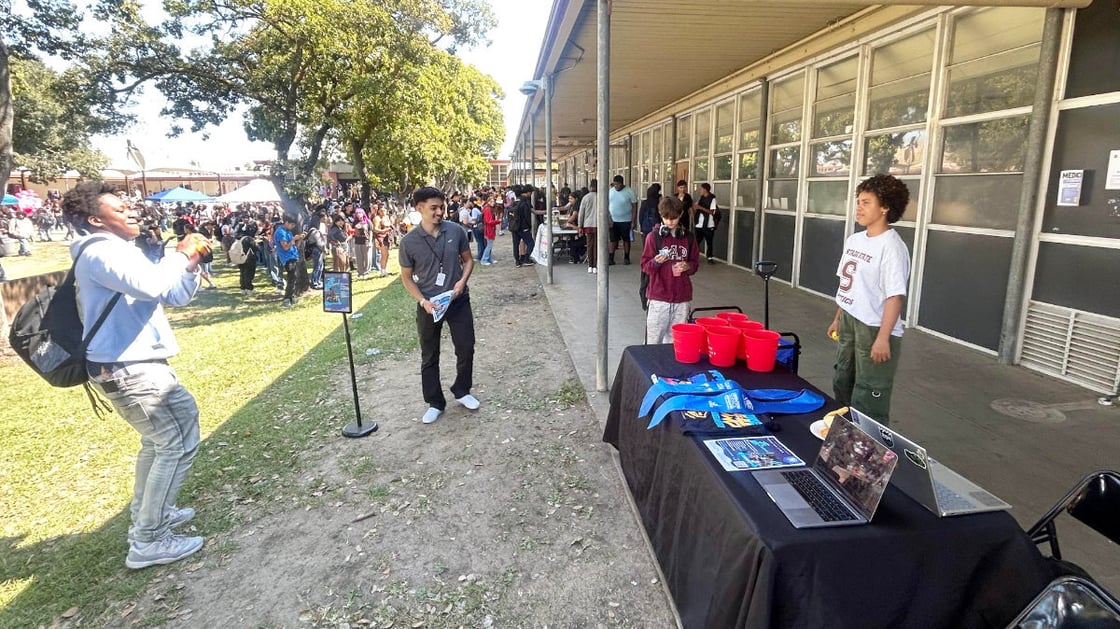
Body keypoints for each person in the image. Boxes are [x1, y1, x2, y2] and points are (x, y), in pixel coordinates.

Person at [63, 182, 210, 569]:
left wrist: (191, 267)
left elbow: (173, 294)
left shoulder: (119, 252)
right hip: (129, 367)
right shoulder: (101, 252)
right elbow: (156, 282)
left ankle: (153, 515)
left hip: (133, 364)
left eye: (130, 206)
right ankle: (149, 539)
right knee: (177, 440)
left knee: (159, 442)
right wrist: (179, 254)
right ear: (96, 219)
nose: (131, 212)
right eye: (119, 208)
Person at [827, 174, 911, 426]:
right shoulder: (855, 240)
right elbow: (847, 287)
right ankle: (842, 440)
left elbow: (895, 296)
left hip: (874, 327)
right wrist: (837, 319)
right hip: (850, 321)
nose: (859, 208)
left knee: (869, 393)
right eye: (858, 202)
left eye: (866, 202)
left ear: (885, 207)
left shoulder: (891, 247)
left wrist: (883, 337)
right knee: (843, 380)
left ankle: (868, 453)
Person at [398, 187, 479, 425]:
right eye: (433, 208)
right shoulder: (409, 242)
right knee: (429, 354)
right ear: (419, 208)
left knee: (466, 347)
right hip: (429, 305)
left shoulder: (455, 230)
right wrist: (423, 301)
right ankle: (435, 402)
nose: (439, 212)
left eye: (441, 207)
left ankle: (462, 390)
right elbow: (406, 277)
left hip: (457, 301)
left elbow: (468, 260)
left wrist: (462, 282)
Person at [641, 197, 699, 344]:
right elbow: (645, 266)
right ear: (661, 215)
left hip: (682, 298)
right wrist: (655, 262)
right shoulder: (653, 237)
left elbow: (695, 264)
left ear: (680, 215)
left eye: (674, 218)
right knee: (653, 343)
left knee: (676, 343)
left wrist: (688, 266)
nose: (670, 222)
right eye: (666, 218)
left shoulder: (689, 238)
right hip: (659, 298)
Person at [607, 175, 638, 265]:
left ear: (621, 183)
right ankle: (611, 258)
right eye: (614, 184)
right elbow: (607, 204)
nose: (615, 186)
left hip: (626, 220)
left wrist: (633, 221)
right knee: (613, 240)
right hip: (613, 220)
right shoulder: (610, 191)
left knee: (626, 240)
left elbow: (634, 207)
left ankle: (626, 257)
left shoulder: (629, 191)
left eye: (617, 184)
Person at [274, 215, 304, 307]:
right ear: (286, 222)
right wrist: (294, 239)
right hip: (287, 258)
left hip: (293, 256)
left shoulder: (288, 231)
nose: (293, 227)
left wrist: (299, 239)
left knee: (294, 278)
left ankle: (292, 296)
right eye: (291, 225)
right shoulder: (280, 232)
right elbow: (286, 247)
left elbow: (294, 246)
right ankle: (287, 299)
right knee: (291, 278)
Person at [694, 183, 719, 264]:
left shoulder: (712, 199)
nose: (700, 190)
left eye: (701, 189)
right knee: (696, 241)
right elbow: (696, 207)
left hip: (709, 224)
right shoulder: (701, 198)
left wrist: (700, 207)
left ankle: (710, 257)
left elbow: (712, 211)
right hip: (699, 223)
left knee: (709, 242)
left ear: (705, 189)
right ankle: (693, 256)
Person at [578, 179, 599, 273]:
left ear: (590, 187)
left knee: (590, 245)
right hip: (599, 225)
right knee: (597, 245)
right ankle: (596, 265)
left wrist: (579, 226)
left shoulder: (585, 198)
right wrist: (610, 223)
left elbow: (581, 213)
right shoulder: (601, 197)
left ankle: (590, 265)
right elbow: (607, 212)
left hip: (588, 224)